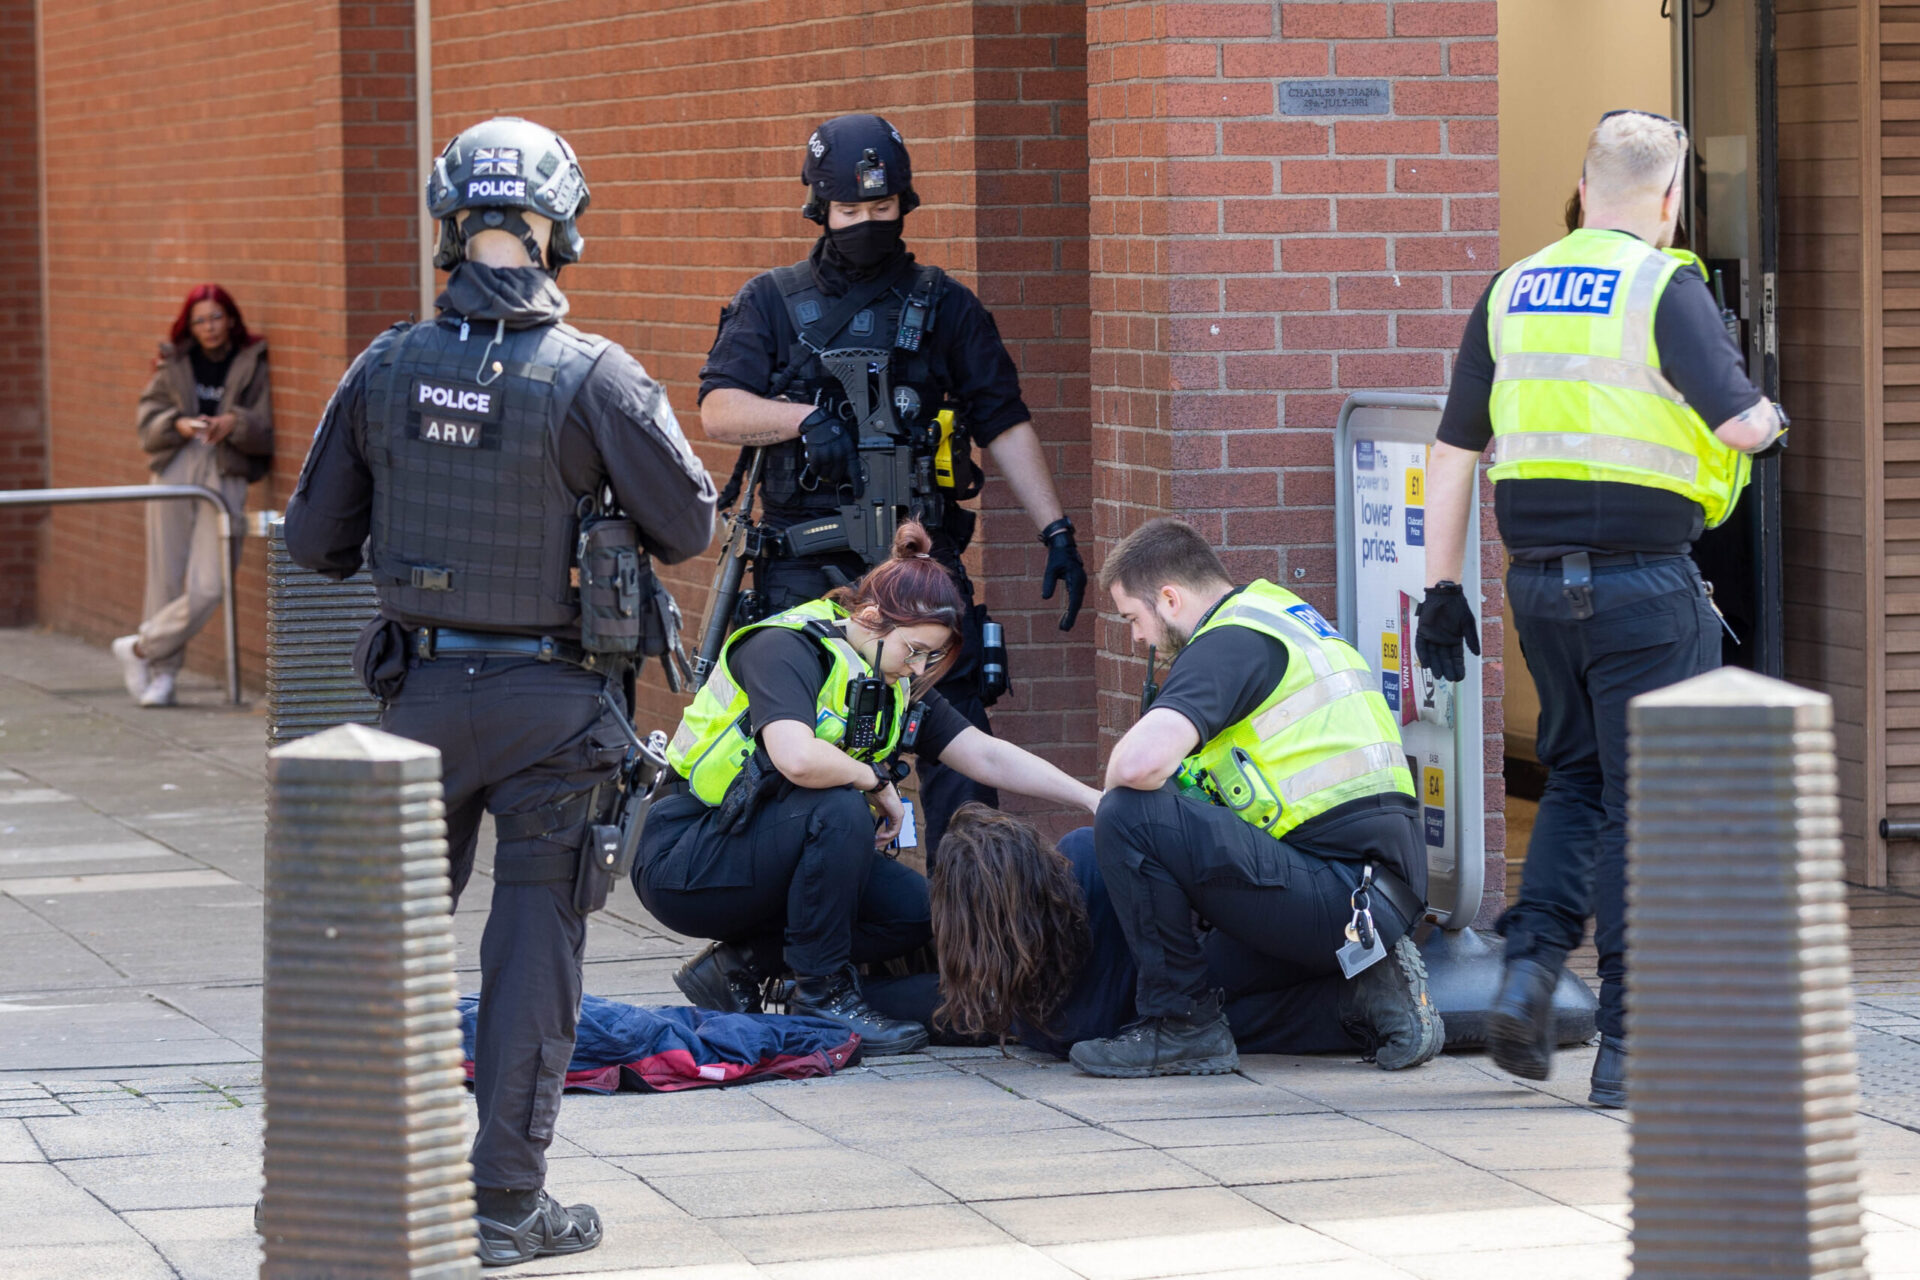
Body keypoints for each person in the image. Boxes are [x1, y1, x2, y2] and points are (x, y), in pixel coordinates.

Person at [284, 116, 716, 1266]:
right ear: (558, 226)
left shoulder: (382, 365)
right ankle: (505, 1205)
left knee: (378, 949)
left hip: (418, 695)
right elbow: (691, 522)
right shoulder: (595, 376)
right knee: (533, 957)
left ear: (450, 226)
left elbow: (318, 542)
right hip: (556, 709)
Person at [1414, 110, 1782, 1108]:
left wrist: (1442, 589)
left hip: (1536, 588)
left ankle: (1530, 976)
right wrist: (1774, 415)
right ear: (1668, 203)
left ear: (1583, 192)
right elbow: (1742, 426)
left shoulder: (1510, 289)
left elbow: (1452, 452)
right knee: (1646, 806)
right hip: (1644, 589)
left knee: (1575, 777)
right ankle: (1628, 1045)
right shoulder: (1669, 285)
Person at [696, 113, 1087, 860]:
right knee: (798, 769)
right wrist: (802, 418)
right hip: (804, 574)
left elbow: (1002, 420)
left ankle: (974, 940)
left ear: (904, 204)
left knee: (962, 769)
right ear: (820, 210)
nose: (868, 225)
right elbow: (719, 408)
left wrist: (1055, 529)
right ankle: (810, 949)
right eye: (851, 212)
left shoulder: (947, 307)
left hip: (919, 575)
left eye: (883, 210)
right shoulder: (771, 302)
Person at [637, 522, 1100, 1056]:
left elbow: (984, 753)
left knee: (919, 913)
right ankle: (822, 999)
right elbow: (796, 757)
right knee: (838, 810)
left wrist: (1090, 798)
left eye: (932, 658)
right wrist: (873, 780)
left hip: (758, 847)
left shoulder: (890, 681)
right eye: (915, 650)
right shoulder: (783, 647)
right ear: (873, 617)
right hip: (686, 857)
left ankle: (739, 965)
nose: (918, 668)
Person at [1070, 518, 1444, 1079]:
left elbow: (1135, 767)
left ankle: (1183, 1030)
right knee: (1202, 986)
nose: (1137, 640)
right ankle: (1368, 998)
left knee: (1127, 813)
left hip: (1340, 894)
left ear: (1169, 598)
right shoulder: (1278, 617)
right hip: (1366, 898)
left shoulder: (1227, 643)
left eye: (1133, 619)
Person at [862, 804, 1403, 1063]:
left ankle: (1347, 1007)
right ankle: (1355, 994)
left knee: (1226, 1023)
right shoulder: (1084, 851)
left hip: (1160, 1001)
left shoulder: (1043, 1021)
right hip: (1254, 947)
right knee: (1219, 1011)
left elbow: (943, 1007)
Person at [114, 284, 273, 707]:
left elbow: (265, 427)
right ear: (190, 323)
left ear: (231, 318)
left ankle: (141, 648)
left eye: (216, 317)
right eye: (200, 319)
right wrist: (179, 424)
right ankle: (163, 677)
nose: (209, 327)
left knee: (211, 583)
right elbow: (147, 423)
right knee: (164, 572)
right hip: (177, 462)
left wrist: (232, 423)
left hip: (225, 469)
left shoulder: (252, 360)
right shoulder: (174, 360)